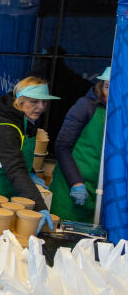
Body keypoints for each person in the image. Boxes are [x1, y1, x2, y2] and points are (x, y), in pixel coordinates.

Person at [0, 76, 59, 231]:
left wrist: (31, 172)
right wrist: (39, 206)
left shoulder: (23, 119)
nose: (41, 107)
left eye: (44, 102)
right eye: (34, 101)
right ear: (20, 101)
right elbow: (15, 168)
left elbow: (18, 156)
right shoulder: (5, 128)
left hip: (11, 184)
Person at [50, 67, 109, 223]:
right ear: (100, 86)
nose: (110, 92)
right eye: (107, 86)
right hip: (71, 187)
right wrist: (76, 182)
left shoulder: (121, 116)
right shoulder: (85, 106)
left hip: (100, 190)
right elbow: (62, 146)